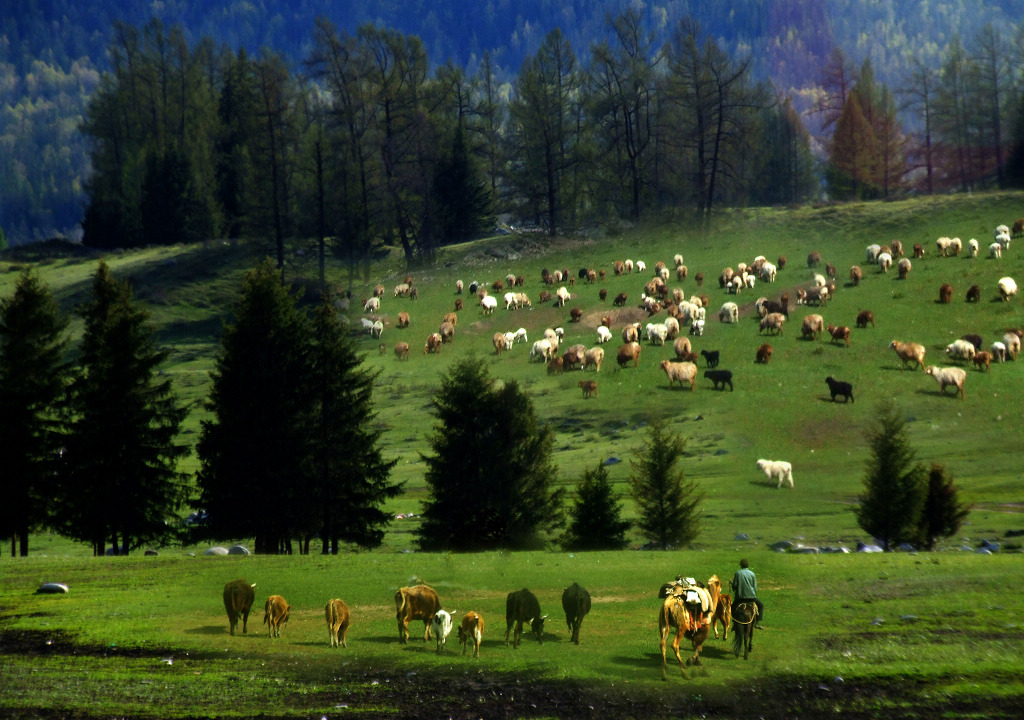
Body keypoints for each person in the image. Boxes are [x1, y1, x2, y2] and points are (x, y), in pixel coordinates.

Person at [731, 558, 764, 628]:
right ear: (747, 565)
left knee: (732, 607)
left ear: (741, 566)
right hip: (751, 598)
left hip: (740, 598)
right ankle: (758, 622)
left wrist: (732, 585)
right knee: (761, 605)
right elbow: (755, 587)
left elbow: (734, 586)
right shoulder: (752, 574)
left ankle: (734, 622)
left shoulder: (738, 573)